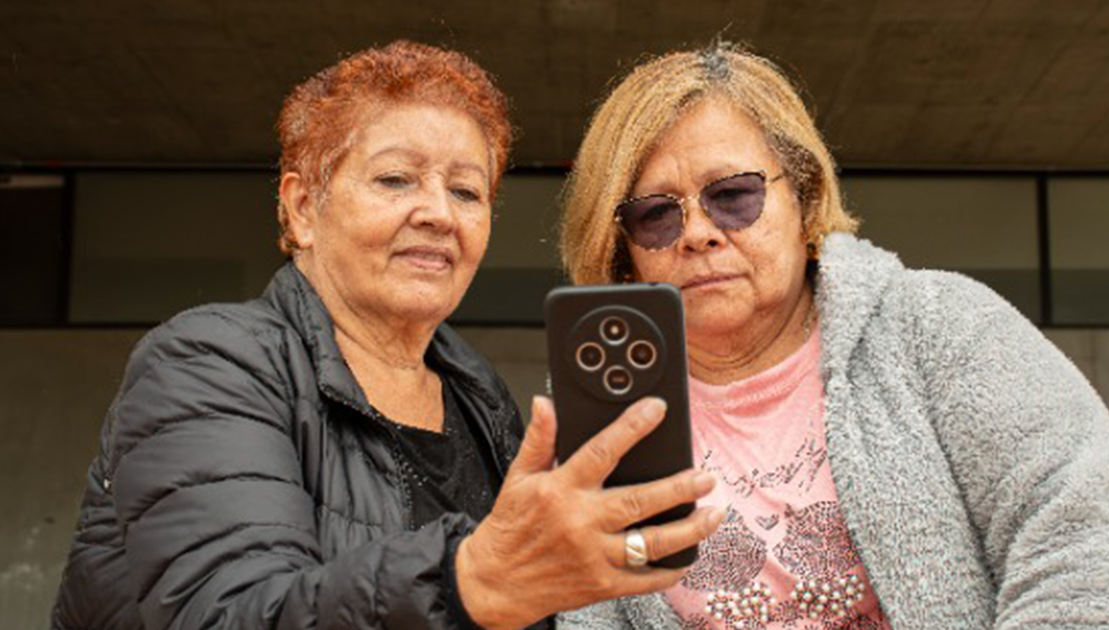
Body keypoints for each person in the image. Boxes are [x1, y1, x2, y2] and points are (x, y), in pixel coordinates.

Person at [51, 40, 723, 630]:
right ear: (303, 206)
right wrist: (466, 582)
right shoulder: (208, 362)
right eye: (396, 179)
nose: (437, 213)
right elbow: (228, 612)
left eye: (466, 192)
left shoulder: (481, 399)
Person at [557, 43, 1109, 629]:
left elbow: (1084, 551)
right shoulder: (606, 415)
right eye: (655, 214)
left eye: (733, 196)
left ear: (805, 198)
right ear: (623, 250)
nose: (697, 233)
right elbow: (589, 612)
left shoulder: (938, 328)